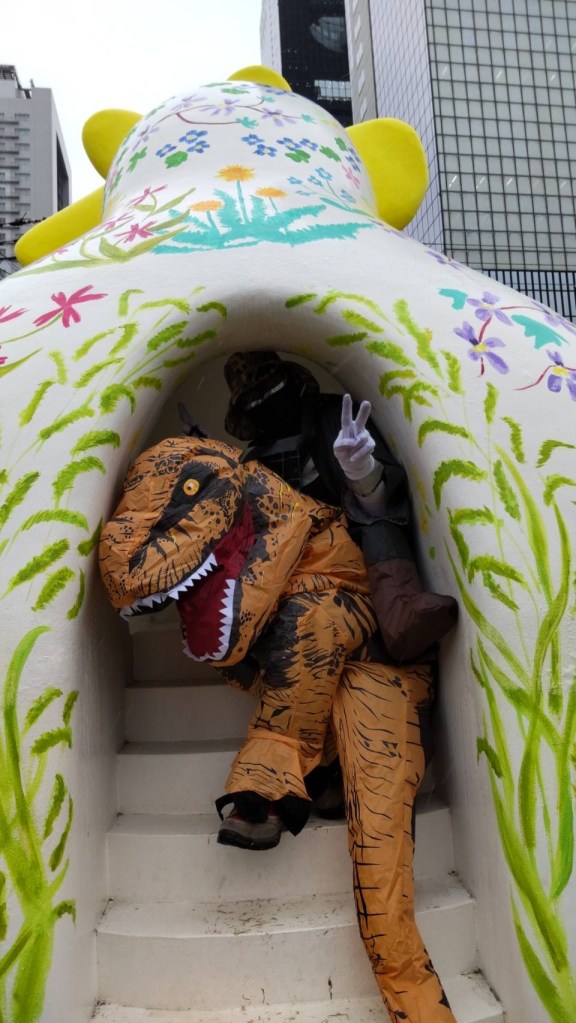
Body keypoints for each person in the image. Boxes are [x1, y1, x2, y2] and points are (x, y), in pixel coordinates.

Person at [223, 350, 458, 664]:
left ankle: (401, 613)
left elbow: (380, 502)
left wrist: (363, 472)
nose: (266, 401)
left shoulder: (336, 419)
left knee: (375, 521)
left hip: (358, 540)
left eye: (272, 386)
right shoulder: (256, 462)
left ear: (291, 381)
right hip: (302, 563)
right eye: (253, 399)